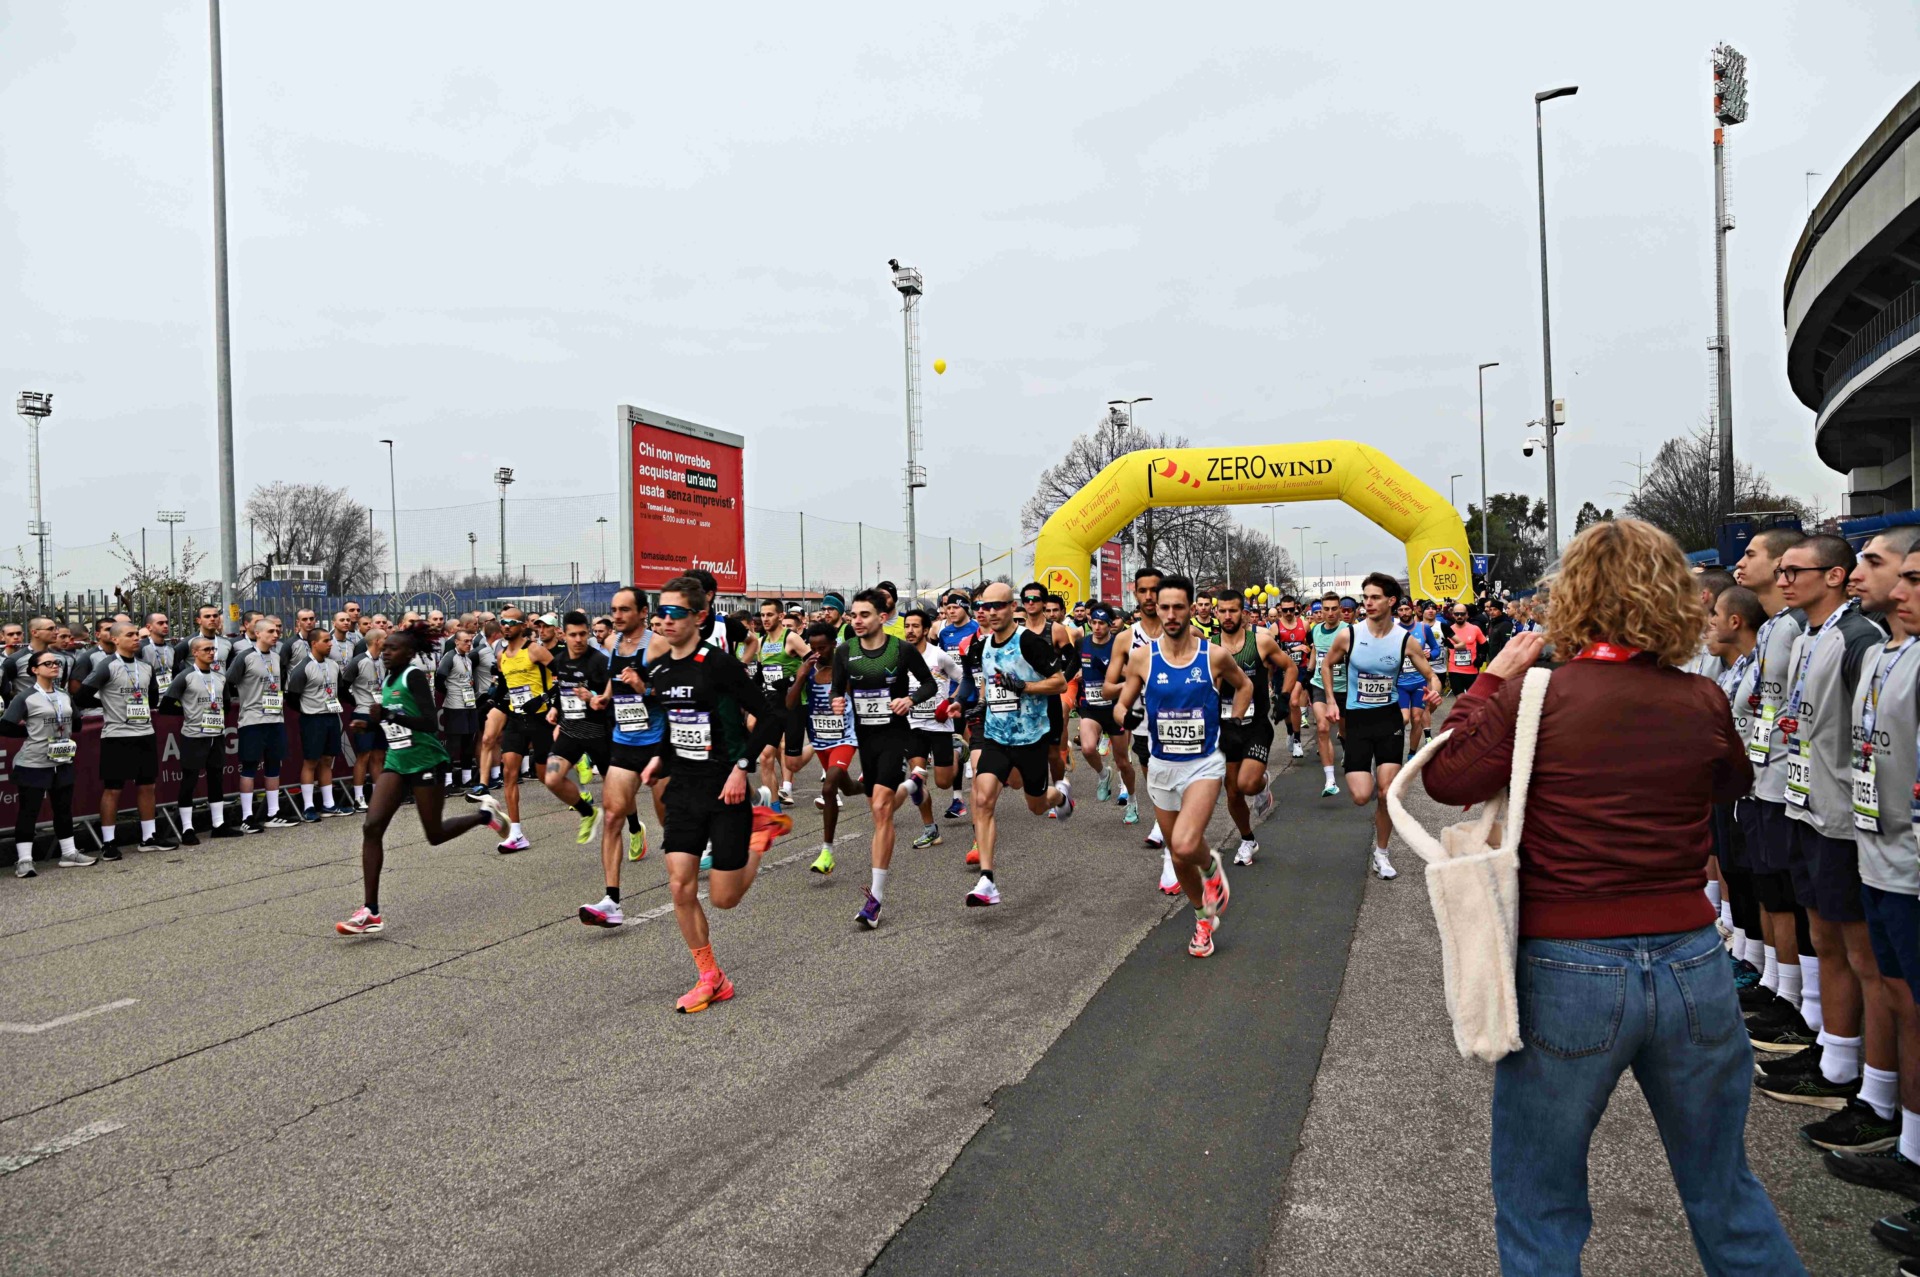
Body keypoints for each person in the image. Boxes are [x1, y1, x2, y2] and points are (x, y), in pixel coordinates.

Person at [1421, 518, 1805, 1276]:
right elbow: (1731, 780)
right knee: (1723, 1187)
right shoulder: (1699, 697)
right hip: (1692, 958)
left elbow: (1447, 776)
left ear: (1573, 598)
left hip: (1568, 962)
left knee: (1541, 1202)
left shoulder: (1542, 694)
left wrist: (1489, 682)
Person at [1758, 533, 1887, 1119]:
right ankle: (1832, 1054)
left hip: (1846, 820)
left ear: (1832, 576)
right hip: (1807, 806)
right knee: (1824, 935)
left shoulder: (1859, 638)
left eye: (1794, 571)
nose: (1784, 581)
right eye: (1779, 571)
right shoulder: (1809, 634)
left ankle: (1869, 1085)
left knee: (1862, 954)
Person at [635, 576, 792, 1011]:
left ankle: (761, 833)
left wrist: (743, 769)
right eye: (658, 612)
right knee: (680, 885)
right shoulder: (661, 668)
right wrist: (657, 760)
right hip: (684, 787)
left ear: (699, 616)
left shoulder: (718, 664)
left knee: (724, 899)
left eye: (673, 613)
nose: (663, 620)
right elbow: (674, 727)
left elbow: (771, 716)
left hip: (727, 785)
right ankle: (711, 976)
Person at [1108, 574, 1250, 958]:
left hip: (1203, 764)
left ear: (1192, 609)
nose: (1170, 614)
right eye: (1163, 606)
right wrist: (1124, 714)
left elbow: (1245, 686)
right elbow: (1123, 700)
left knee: (1187, 845)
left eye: (1178, 607)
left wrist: (1234, 721)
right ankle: (1203, 918)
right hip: (1161, 766)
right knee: (1176, 852)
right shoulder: (1143, 657)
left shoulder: (1213, 655)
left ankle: (1212, 867)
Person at [336, 622, 508, 936]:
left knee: (435, 834)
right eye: (384, 647)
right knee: (371, 826)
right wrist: (370, 725)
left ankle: (484, 816)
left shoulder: (413, 675)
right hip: (397, 761)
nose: (386, 653)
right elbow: (396, 722)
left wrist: (386, 716)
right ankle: (370, 911)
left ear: (410, 652)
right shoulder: (388, 678)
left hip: (426, 761)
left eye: (393, 648)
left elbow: (429, 722)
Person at [1322, 574, 1441, 879]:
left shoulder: (1404, 640)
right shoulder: (1350, 635)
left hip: (1388, 719)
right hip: (1357, 721)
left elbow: (1431, 674)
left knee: (1388, 793)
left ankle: (1382, 854)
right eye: (1366, 597)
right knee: (1362, 795)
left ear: (1391, 602)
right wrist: (1333, 701)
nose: (1368, 603)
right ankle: (1367, 776)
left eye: (1374, 597)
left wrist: (1435, 689)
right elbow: (1326, 664)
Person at [966, 581, 1074, 908]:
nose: (991, 612)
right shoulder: (983, 647)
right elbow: (989, 689)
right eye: (986, 607)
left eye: (998, 605)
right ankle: (987, 880)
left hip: (1030, 739)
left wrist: (1023, 686)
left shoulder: (1028, 642)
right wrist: (973, 706)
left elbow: (1059, 683)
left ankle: (1061, 794)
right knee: (983, 799)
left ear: (1013, 607)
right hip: (996, 738)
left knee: (1037, 805)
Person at [578, 588, 664, 929]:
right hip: (624, 742)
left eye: (624, 610)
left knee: (669, 818)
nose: (617, 615)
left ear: (643, 612)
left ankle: (695, 856)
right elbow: (616, 684)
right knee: (613, 816)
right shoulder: (612, 644)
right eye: (614, 609)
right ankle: (611, 900)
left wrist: (646, 689)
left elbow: (676, 690)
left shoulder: (657, 645)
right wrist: (601, 699)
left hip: (658, 743)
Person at [1211, 588, 1296, 866]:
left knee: (1247, 784)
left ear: (1243, 614)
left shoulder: (1260, 641)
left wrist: (1283, 697)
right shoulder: (1209, 646)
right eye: (1222, 611)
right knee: (1232, 790)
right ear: (1216, 613)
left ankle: (1261, 784)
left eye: (1232, 610)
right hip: (1226, 726)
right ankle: (1248, 839)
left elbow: (1291, 667)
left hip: (1256, 724)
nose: (1227, 616)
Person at [2, 649, 96, 875]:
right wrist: (33, 735)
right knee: (29, 811)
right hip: (33, 762)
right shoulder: (25, 697)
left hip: (62, 760)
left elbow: (77, 722)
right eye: (48, 663)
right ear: (34, 670)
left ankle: (69, 853)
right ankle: (25, 860)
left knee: (63, 808)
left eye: (56, 663)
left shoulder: (64, 695)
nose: (55, 666)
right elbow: (5, 726)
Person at [82, 621, 173, 855]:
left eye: (137, 635)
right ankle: (109, 842)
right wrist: (109, 703)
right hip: (117, 734)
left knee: (147, 786)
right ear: (115, 639)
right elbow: (81, 695)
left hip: (144, 732)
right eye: (130, 635)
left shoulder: (145, 667)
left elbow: (152, 699)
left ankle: (148, 836)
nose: (136, 638)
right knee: (114, 789)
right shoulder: (107, 665)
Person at [791, 622, 863, 874]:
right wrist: (800, 677)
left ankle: (826, 852)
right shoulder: (808, 669)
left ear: (834, 644)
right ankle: (867, 784)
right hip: (821, 740)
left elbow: (860, 700)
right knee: (848, 787)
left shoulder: (845, 670)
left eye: (822, 647)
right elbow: (790, 703)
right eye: (813, 647)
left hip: (845, 737)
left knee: (829, 785)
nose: (818, 652)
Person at [161, 636, 240, 845]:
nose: (211, 653)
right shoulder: (185, 677)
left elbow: (225, 704)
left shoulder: (219, 677)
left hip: (216, 734)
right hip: (194, 735)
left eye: (213, 649)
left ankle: (218, 824)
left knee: (216, 777)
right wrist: (189, 714)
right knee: (190, 780)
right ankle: (187, 828)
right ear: (194, 653)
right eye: (206, 650)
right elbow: (166, 706)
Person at [542, 611, 612, 848]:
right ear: (565, 635)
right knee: (552, 779)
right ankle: (587, 812)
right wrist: (555, 709)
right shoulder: (560, 660)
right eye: (573, 635)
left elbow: (615, 698)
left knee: (616, 797)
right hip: (571, 731)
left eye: (583, 634)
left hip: (600, 735)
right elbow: (563, 691)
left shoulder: (599, 662)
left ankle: (635, 827)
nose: (579, 639)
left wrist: (594, 697)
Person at [492, 608, 554, 853]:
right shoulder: (502, 656)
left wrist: (543, 699)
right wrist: (495, 702)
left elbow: (562, 677)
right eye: (502, 622)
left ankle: (580, 797)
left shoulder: (535, 650)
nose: (506, 626)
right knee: (509, 771)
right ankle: (516, 833)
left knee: (544, 775)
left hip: (539, 719)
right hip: (516, 719)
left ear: (521, 626)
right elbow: (505, 686)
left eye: (511, 622)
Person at [900, 608, 962, 851]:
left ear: (926, 630)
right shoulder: (900, 657)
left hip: (940, 727)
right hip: (913, 726)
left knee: (944, 783)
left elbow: (963, 679)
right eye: (907, 626)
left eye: (915, 626)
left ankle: (958, 752)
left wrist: (951, 700)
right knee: (916, 779)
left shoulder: (940, 657)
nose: (910, 631)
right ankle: (930, 829)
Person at [229, 616, 298, 831]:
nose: (275, 635)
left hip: (275, 718)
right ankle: (247, 817)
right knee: (249, 766)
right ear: (257, 633)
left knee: (273, 765)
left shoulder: (277, 657)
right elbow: (229, 682)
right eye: (270, 631)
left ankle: (273, 813)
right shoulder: (245, 657)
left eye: (277, 631)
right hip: (252, 719)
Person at [1075, 603, 1137, 812]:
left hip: (1115, 708)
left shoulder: (1118, 646)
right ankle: (1103, 775)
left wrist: (1114, 677)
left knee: (1122, 761)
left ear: (1110, 625)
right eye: (1093, 622)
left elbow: (1132, 675)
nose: (1097, 627)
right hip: (1090, 706)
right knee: (1088, 748)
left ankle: (1132, 801)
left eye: (1102, 623)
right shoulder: (1081, 643)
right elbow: (1070, 669)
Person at [286, 628, 348, 822]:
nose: (330, 644)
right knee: (311, 761)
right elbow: (292, 697)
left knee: (327, 760)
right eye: (326, 640)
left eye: (330, 640)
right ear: (314, 643)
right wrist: (308, 709)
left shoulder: (333, 665)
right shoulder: (303, 667)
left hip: (331, 717)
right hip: (312, 719)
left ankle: (329, 804)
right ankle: (308, 806)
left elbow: (339, 690)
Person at [1307, 590, 1347, 798]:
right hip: (1321, 685)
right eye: (1326, 609)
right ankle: (1330, 780)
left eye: (1334, 609)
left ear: (1340, 610)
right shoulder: (1316, 630)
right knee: (1322, 728)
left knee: (1345, 730)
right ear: (1320, 611)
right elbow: (1315, 652)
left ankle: (1346, 749)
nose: (1330, 613)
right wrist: (1307, 675)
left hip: (1345, 688)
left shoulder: (1348, 631)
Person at [344, 630, 388, 812]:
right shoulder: (358, 661)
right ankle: (358, 797)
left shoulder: (385, 659)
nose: (388, 640)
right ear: (377, 641)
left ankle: (378, 796)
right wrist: (357, 702)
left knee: (379, 755)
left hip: (380, 713)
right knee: (364, 755)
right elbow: (343, 686)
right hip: (363, 713)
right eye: (385, 638)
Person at [1271, 596, 1313, 760]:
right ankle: (1290, 731)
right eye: (1285, 610)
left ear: (1296, 608)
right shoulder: (1275, 628)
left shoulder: (1304, 624)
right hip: (1281, 671)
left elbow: (1312, 646)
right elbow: (1274, 653)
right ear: (1280, 609)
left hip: (1300, 669)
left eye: (1291, 610)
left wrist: (1310, 666)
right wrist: (1292, 649)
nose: (1288, 613)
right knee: (1286, 704)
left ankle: (1297, 740)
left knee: (1294, 701)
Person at [1442, 602, 1485, 696]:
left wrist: (1481, 657)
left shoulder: (1475, 628)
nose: (1459, 616)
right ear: (1453, 615)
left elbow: (1484, 645)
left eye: (1462, 614)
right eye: (1457, 614)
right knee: (1460, 700)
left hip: (1472, 670)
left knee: (1472, 700)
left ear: (1467, 615)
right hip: (1455, 670)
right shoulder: (1448, 630)